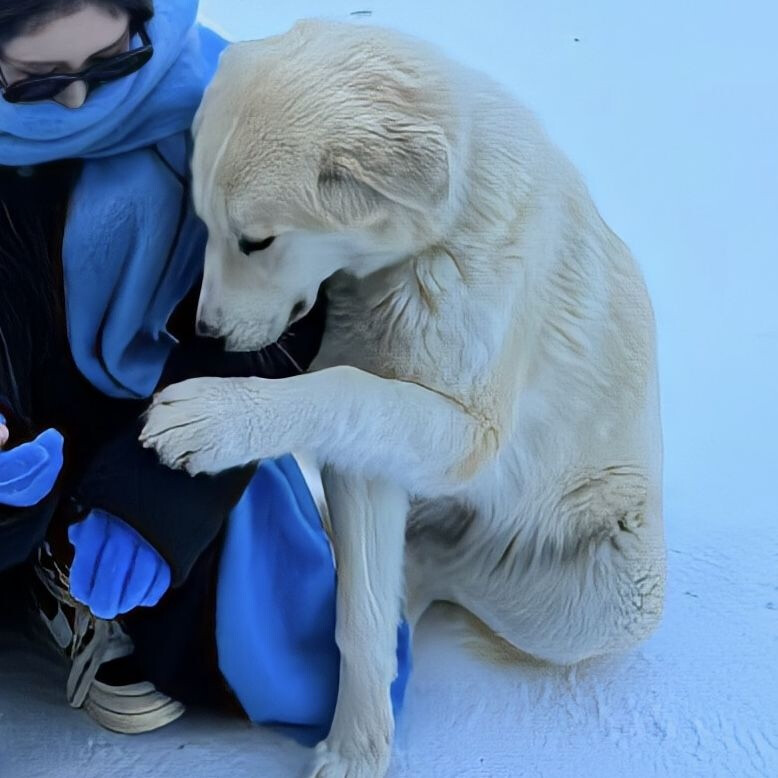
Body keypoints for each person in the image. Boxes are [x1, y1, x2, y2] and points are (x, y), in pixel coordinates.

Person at [0, 0, 410, 742]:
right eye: (32, 80)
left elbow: (274, 327)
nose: (77, 101)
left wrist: (153, 501)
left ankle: (77, 567)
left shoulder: (229, 117)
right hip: (22, 407)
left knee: (226, 627)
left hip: (155, 412)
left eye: (112, 61)